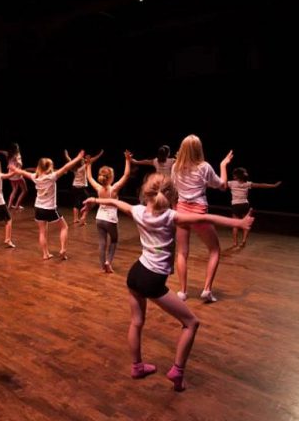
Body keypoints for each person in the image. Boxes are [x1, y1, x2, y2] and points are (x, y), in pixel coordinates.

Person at [83, 173, 254, 391]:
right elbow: (206, 219)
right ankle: (177, 371)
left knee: (136, 322)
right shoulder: (171, 217)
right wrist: (239, 222)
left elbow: (116, 202)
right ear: (171, 194)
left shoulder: (138, 211)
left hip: (136, 273)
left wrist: (95, 200)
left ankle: (137, 367)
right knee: (191, 323)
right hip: (152, 279)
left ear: (147, 193)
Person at [171, 135, 233, 302]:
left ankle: (183, 292)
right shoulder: (204, 167)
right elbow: (222, 186)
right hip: (199, 213)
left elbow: (175, 189)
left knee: (182, 253)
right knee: (214, 250)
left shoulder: (175, 167)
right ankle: (206, 290)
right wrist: (223, 165)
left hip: (182, 211)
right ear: (199, 149)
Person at [228, 167, 281, 247]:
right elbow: (261, 185)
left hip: (235, 205)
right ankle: (243, 241)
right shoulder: (247, 184)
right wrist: (273, 185)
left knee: (235, 225)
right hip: (245, 205)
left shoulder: (231, 183)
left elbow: (217, 183)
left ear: (236, 176)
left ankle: (235, 243)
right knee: (246, 224)